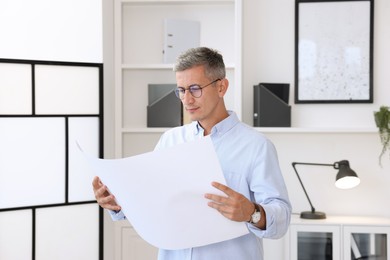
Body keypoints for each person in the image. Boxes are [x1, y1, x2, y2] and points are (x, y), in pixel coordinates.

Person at [92, 47, 291, 260]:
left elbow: (282, 218)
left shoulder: (256, 146)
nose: (187, 99)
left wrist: (252, 212)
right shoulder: (170, 140)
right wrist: (117, 202)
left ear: (221, 87)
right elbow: (151, 201)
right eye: (181, 90)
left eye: (195, 88)